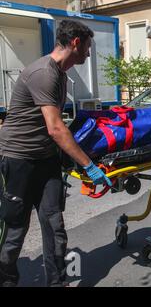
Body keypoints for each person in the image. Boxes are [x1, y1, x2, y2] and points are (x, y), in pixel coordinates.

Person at [0, 20, 112, 287]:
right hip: (18, 159)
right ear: (75, 43)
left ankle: (57, 282)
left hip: (45, 160)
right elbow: (55, 128)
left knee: (54, 226)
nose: (88, 53)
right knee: (15, 230)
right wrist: (89, 166)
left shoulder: (61, 74)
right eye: (87, 47)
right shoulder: (44, 73)